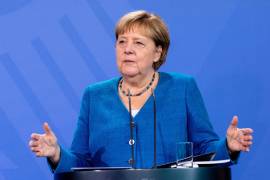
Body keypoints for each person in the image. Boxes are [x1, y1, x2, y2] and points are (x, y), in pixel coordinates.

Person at [29, 10, 253, 173]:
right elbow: (81, 162)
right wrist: (56, 153)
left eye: (138, 43)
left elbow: (206, 150)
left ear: (157, 53)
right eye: (121, 41)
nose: (127, 49)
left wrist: (228, 147)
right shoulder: (94, 95)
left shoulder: (183, 88)